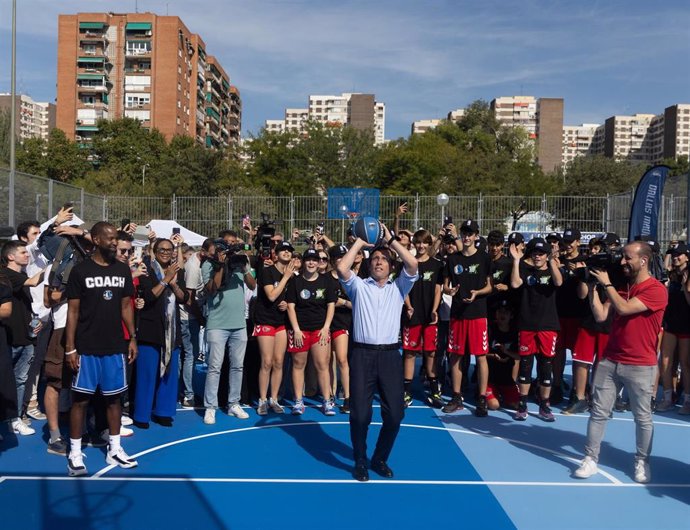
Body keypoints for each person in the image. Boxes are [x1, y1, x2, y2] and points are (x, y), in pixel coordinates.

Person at [573, 241, 667, 484]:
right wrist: (593, 288)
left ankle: (641, 460)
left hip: (641, 364)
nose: (622, 262)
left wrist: (606, 283)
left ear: (643, 260)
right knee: (598, 412)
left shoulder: (656, 290)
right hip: (610, 360)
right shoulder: (621, 287)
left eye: (627, 258)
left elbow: (624, 309)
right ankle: (590, 458)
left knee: (642, 417)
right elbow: (601, 315)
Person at [336, 223, 418, 482]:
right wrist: (362, 242)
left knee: (395, 413)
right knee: (360, 415)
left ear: (391, 267)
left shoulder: (399, 288)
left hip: (390, 356)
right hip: (362, 355)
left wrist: (391, 240)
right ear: (369, 264)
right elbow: (341, 268)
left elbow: (413, 265)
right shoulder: (358, 287)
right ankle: (360, 459)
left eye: (384, 259)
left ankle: (380, 458)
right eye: (375, 259)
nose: (379, 262)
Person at [64, 222, 138, 476]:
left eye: (115, 238)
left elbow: (126, 306)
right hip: (86, 346)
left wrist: (132, 338)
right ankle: (75, 452)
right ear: (95, 239)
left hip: (115, 345)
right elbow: (72, 311)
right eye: (109, 238)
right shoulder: (80, 271)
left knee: (114, 399)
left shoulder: (122, 269)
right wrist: (70, 348)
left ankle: (114, 449)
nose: (114, 242)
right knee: (81, 400)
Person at [133, 238, 188, 428]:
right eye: (162, 249)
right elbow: (148, 296)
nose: (166, 252)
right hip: (150, 330)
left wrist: (173, 284)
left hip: (172, 331)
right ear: (154, 251)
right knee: (147, 374)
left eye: (169, 249)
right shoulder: (146, 269)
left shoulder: (177, 270)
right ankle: (141, 414)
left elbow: (184, 298)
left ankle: (163, 411)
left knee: (169, 374)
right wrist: (165, 279)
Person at [201, 239, 256, 424]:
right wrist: (221, 265)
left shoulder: (239, 263)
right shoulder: (209, 265)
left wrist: (245, 267)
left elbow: (252, 285)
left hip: (239, 323)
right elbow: (212, 289)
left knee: (237, 366)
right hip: (217, 323)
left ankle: (234, 403)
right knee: (215, 366)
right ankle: (211, 406)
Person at [442, 219, 492, 417]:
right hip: (457, 314)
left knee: (481, 356)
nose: (467, 236)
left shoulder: (484, 258)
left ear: (476, 236)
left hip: (478, 314)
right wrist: (451, 290)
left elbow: (490, 286)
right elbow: (445, 286)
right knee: (455, 355)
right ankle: (456, 396)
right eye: (464, 233)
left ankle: (481, 398)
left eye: (471, 233)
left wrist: (477, 293)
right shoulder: (453, 259)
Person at [510, 237, 563, 422]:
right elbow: (515, 284)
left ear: (546, 255)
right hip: (526, 324)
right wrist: (516, 260)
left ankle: (544, 404)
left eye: (541, 253)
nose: (538, 256)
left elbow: (558, 283)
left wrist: (551, 261)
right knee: (525, 364)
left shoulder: (552, 269)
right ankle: (522, 403)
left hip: (548, 325)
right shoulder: (525, 269)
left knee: (546, 365)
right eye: (535, 253)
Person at [0, 241, 45, 436]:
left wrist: (34, 321)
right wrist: (54, 264)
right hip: (9, 338)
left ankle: (15, 418)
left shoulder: (21, 275)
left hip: (26, 337)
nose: (27, 255)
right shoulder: (7, 276)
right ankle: (6, 420)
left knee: (20, 380)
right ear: (10, 257)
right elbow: (35, 281)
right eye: (22, 252)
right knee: (6, 382)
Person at [286, 248, 337, 415]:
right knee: (298, 365)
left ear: (320, 262)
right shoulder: (295, 282)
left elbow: (331, 305)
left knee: (322, 365)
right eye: (308, 259)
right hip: (300, 330)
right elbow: (291, 307)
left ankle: (327, 401)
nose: (312, 262)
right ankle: (298, 401)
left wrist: (326, 327)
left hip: (319, 330)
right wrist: (296, 330)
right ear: (304, 262)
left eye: (315, 260)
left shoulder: (326, 281)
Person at [401, 229, 444, 409]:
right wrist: (409, 306)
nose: (421, 246)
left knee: (431, 352)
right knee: (410, 353)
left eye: (424, 242)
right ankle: (406, 391)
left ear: (429, 244)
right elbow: (404, 288)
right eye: (418, 243)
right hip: (413, 315)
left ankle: (434, 389)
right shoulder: (409, 264)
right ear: (413, 244)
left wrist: (434, 310)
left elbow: (437, 289)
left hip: (429, 316)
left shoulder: (437, 265)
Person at [254, 241, 295, 415]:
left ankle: (274, 399)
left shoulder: (292, 275)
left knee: (279, 362)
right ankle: (262, 400)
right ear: (275, 254)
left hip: (281, 322)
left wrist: (287, 304)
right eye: (283, 250)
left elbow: (290, 298)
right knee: (267, 362)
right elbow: (271, 296)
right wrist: (285, 277)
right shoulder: (267, 272)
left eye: (289, 251)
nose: (286, 252)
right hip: (265, 321)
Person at [656, 242, 690, 413]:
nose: (676, 257)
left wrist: (685, 287)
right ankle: (668, 397)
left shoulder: (688, 275)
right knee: (665, 362)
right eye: (673, 254)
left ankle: (687, 401)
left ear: (687, 256)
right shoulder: (670, 275)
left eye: (679, 254)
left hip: (686, 326)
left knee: (685, 363)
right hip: (670, 324)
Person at [327, 244, 353, 413]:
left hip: (343, 323)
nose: (342, 260)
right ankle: (329, 395)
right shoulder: (325, 278)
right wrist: (344, 302)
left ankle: (348, 397)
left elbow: (356, 302)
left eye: (345, 257)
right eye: (339, 257)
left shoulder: (351, 279)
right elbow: (327, 300)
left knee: (342, 360)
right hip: (325, 323)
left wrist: (342, 302)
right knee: (327, 361)